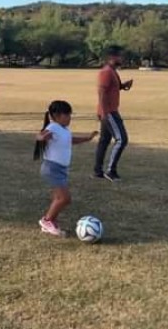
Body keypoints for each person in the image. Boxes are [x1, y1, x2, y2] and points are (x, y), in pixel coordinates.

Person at [34, 100, 98, 237]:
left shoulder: (64, 130)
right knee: (65, 198)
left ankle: (50, 221)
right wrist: (40, 137)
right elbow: (42, 135)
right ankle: (47, 220)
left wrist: (86, 138)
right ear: (56, 115)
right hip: (52, 168)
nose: (69, 118)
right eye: (67, 115)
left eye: (70, 115)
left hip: (60, 169)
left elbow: (70, 140)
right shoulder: (53, 127)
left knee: (59, 197)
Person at [94, 45, 133, 182]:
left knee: (104, 141)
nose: (122, 58)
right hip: (109, 112)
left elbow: (111, 88)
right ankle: (111, 171)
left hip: (110, 110)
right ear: (112, 57)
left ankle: (97, 171)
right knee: (122, 139)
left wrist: (123, 86)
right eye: (120, 56)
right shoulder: (106, 72)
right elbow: (101, 92)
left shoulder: (113, 72)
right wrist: (104, 113)